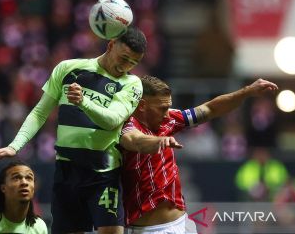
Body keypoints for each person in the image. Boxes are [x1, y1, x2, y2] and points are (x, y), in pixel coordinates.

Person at [0, 26, 147, 234]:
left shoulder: (132, 83)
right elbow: (40, 112)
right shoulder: (69, 68)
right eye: (124, 58)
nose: (126, 66)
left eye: (133, 62)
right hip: (67, 170)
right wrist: (15, 146)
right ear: (111, 45)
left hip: (104, 171)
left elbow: (113, 120)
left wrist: (84, 101)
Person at [119, 75, 278, 233]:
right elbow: (134, 140)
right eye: (162, 108)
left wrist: (247, 92)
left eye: (169, 107)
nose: (167, 113)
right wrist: (159, 142)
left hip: (182, 224)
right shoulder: (126, 126)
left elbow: (210, 108)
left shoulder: (169, 119)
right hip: (149, 230)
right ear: (142, 105)